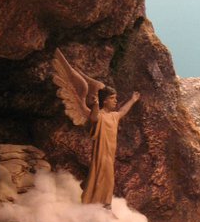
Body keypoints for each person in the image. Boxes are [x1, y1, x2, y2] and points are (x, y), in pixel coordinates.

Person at [53, 48, 140, 207]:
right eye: (112, 98)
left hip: (109, 156)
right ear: (105, 101)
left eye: (115, 98)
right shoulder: (99, 115)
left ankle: (103, 204)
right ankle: (95, 204)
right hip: (100, 154)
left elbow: (123, 111)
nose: (115, 101)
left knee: (108, 179)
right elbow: (93, 118)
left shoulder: (113, 116)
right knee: (100, 177)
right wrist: (95, 104)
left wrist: (133, 100)